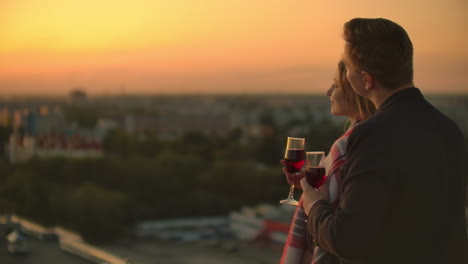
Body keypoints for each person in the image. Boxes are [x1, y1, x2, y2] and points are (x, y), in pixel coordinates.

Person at [300, 18, 467, 264]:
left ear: (366, 80)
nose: (345, 75)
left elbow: (346, 241)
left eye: (347, 68)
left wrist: (314, 205)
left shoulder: (373, 135)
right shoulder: (449, 129)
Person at [281, 60, 376, 264]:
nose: (328, 91)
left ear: (355, 89)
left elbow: (336, 225)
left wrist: (313, 200)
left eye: (335, 84)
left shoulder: (347, 145)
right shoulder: (372, 136)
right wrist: (310, 185)